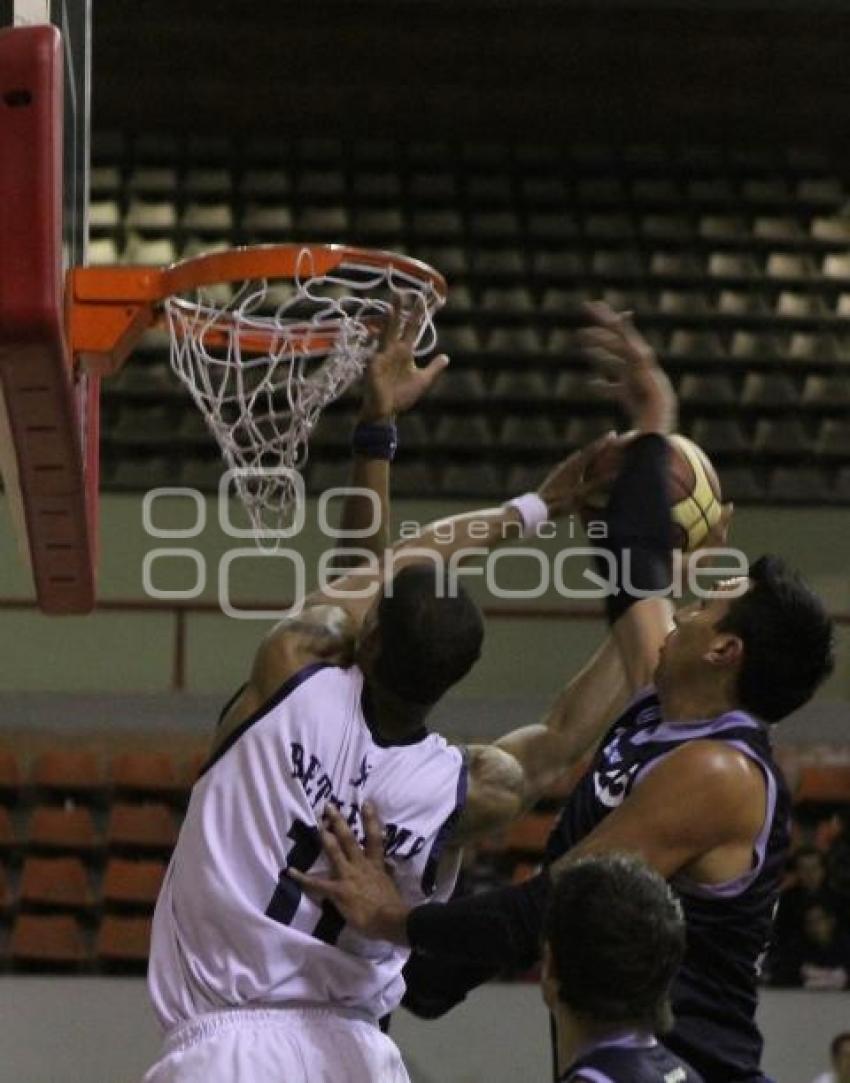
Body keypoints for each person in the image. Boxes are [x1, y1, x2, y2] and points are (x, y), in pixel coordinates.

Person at [294, 301, 836, 1083]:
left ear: (724, 649)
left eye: (708, 602)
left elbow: (559, 902)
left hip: (686, 1066)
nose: (684, 604)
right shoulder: (668, 694)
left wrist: (396, 921)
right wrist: (656, 421)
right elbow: (632, 566)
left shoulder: (717, 772)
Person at [142, 303, 629, 1083]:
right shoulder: (469, 787)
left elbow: (375, 568)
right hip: (361, 1055)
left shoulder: (292, 668)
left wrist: (528, 506)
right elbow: (569, 733)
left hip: (222, 1048)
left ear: (364, 637)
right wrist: (649, 587)